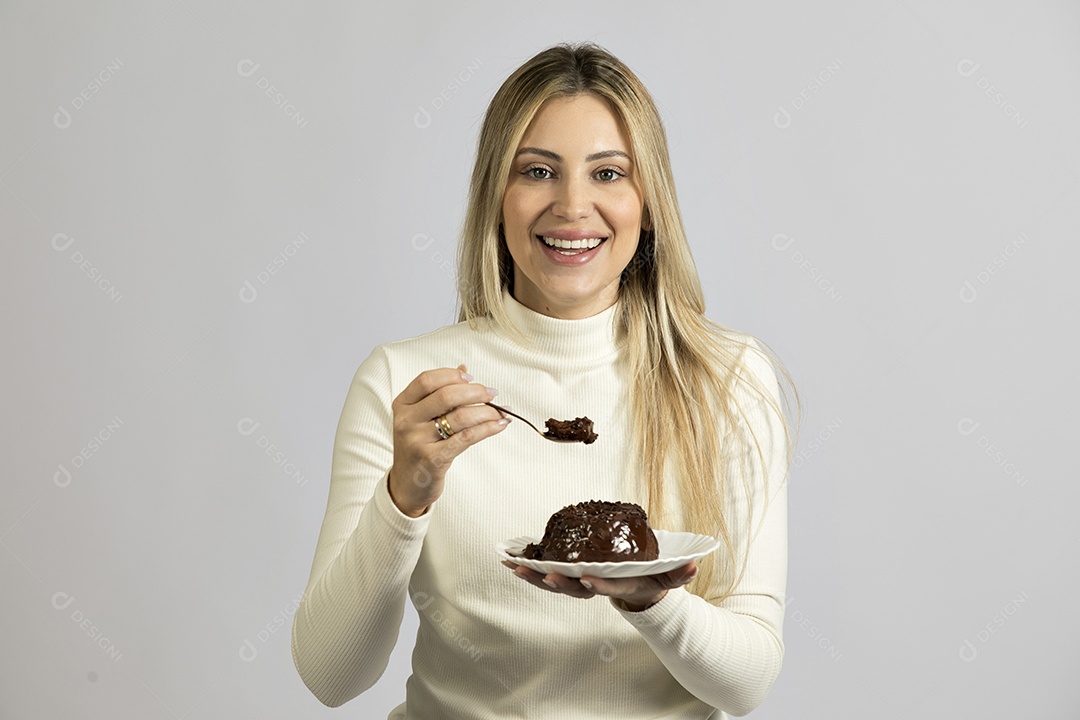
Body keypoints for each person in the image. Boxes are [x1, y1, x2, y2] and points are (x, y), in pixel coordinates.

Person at [291, 41, 799, 719]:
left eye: (608, 174)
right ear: (496, 197)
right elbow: (333, 675)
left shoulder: (727, 378)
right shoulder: (409, 383)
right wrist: (402, 498)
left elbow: (747, 683)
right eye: (537, 171)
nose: (572, 205)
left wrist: (648, 601)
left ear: (648, 204)